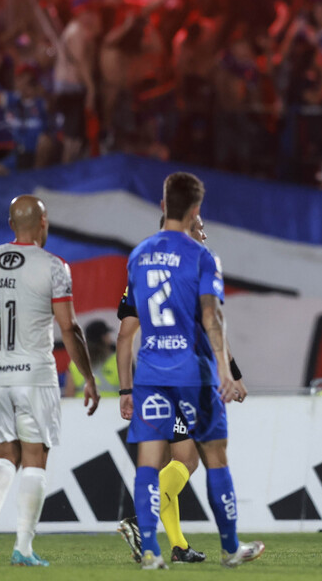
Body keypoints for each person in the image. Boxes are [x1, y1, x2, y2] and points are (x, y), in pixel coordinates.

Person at [116, 172, 264, 570]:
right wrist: (225, 372)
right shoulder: (201, 257)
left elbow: (129, 329)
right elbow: (211, 317)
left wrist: (125, 388)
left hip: (149, 370)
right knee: (214, 457)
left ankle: (151, 550)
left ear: (164, 205)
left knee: (149, 461)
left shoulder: (138, 255)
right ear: (195, 210)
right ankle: (231, 548)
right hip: (190, 371)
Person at [0, 195, 100, 567]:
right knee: (35, 457)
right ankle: (23, 547)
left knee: (7, 455)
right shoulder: (54, 267)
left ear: (11, 225)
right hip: (35, 373)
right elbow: (68, 326)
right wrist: (88, 376)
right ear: (43, 223)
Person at [64, 320, 121, 398]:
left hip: (83, 407)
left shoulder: (76, 361)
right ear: (104, 338)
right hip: (113, 407)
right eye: (108, 335)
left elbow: (69, 394)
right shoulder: (119, 360)